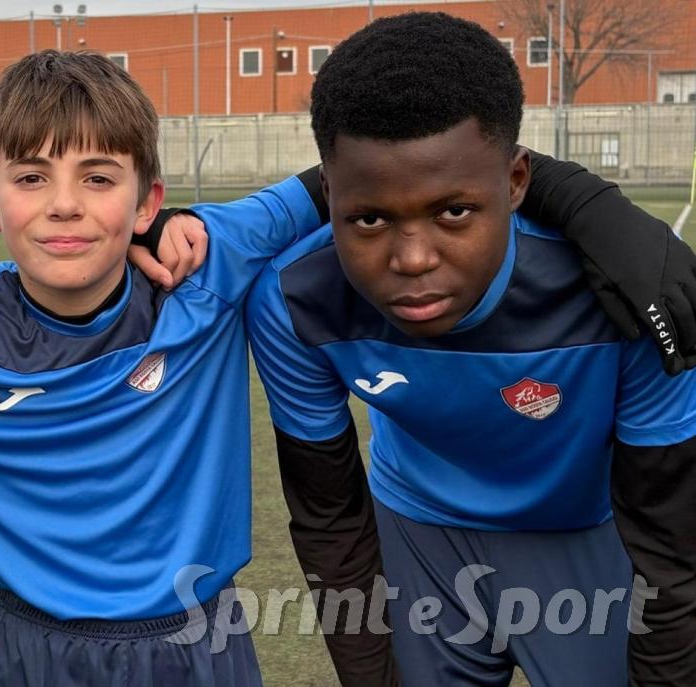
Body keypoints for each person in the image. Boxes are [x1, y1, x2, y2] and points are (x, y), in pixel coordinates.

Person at [0, 48, 696, 687]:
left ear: (150, 200)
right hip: (29, 644)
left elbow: (346, 182)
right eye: (32, 179)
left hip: (199, 641)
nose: (65, 207)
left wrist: (592, 205)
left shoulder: (204, 271)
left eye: (99, 177)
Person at [243, 12, 696, 686]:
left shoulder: (626, 291)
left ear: (516, 183)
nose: (414, 258)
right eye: (369, 219)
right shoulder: (294, 302)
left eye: (453, 211)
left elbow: (670, 536)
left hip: (586, 532)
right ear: (328, 196)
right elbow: (328, 514)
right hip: (418, 533)